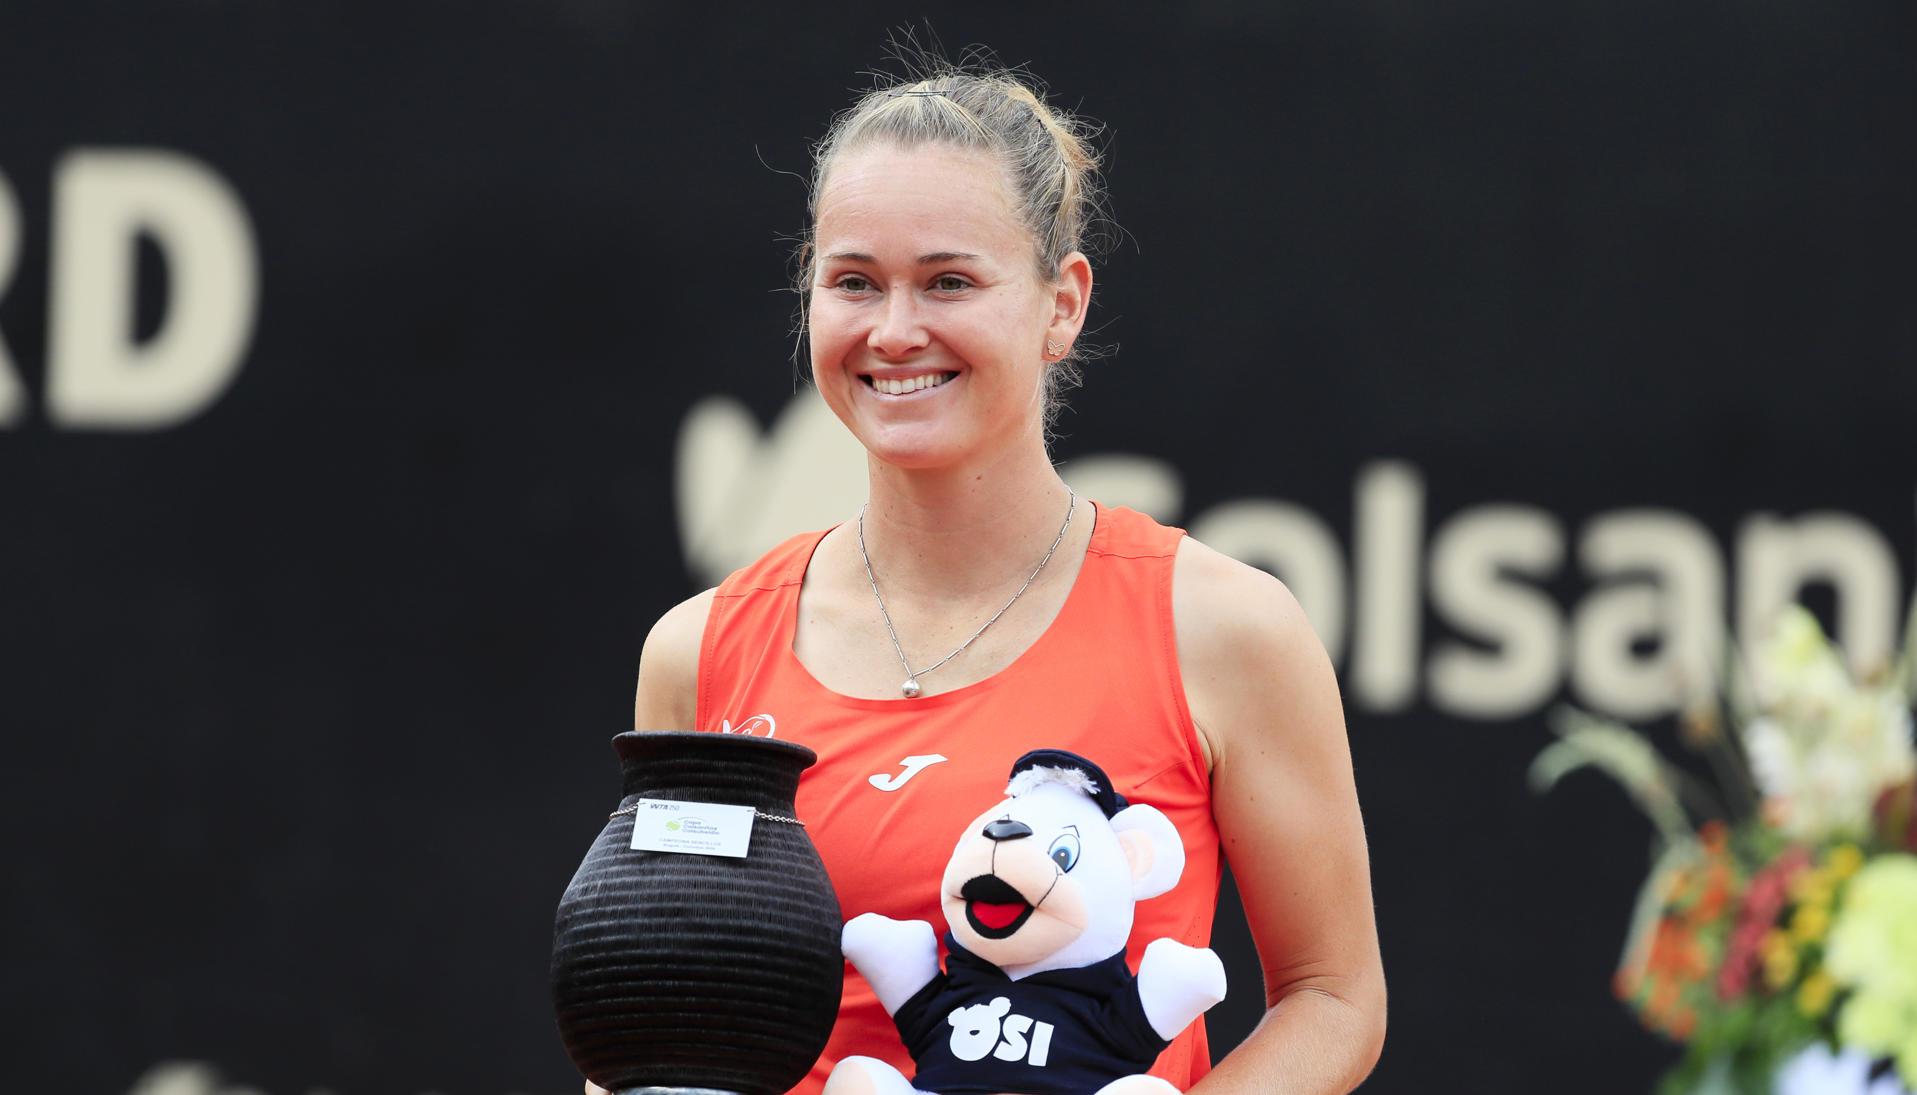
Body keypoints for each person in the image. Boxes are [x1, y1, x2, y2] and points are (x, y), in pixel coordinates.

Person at [609, 56, 1385, 1095]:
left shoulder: (1223, 626)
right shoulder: (698, 651)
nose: (893, 331)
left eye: (949, 281)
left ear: (1061, 306)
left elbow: (1334, 998)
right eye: (852, 282)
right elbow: (647, 1030)